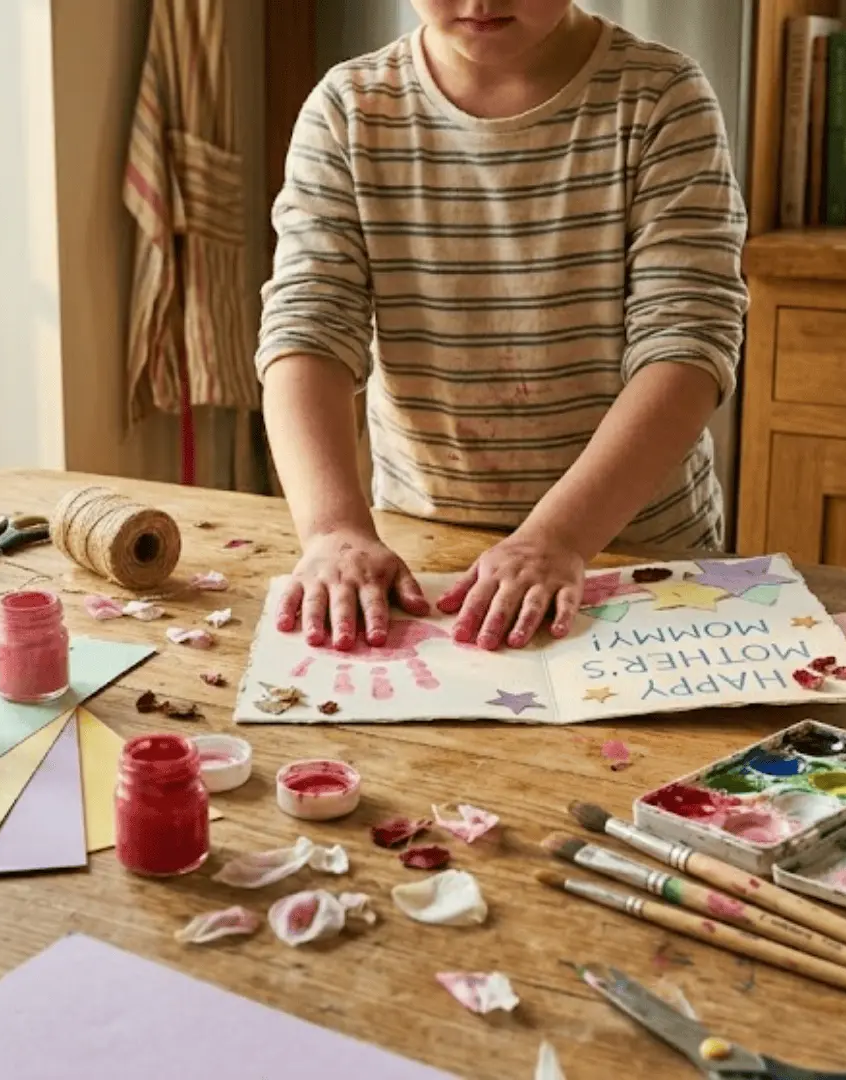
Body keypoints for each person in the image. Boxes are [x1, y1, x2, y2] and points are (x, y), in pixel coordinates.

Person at [257, 0, 747, 654]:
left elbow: (686, 348)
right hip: (427, 557)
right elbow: (307, 330)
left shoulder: (662, 98)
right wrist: (332, 530)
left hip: (630, 553)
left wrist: (562, 538)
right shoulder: (349, 109)